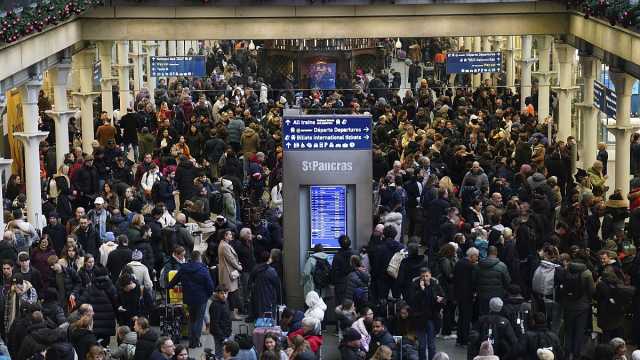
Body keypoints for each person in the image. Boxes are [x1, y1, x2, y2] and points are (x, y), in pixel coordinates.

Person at [168, 250, 214, 348]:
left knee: (191, 320)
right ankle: (196, 341)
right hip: (201, 299)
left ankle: (191, 341)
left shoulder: (184, 268)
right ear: (199, 258)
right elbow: (210, 285)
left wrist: (169, 288)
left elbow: (173, 282)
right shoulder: (203, 269)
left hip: (188, 299)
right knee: (199, 320)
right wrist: (208, 295)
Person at [411, 267, 444, 360]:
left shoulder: (435, 285)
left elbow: (442, 297)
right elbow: (413, 300)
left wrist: (440, 300)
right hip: (420, 318)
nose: (425, 278)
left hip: (432, 318)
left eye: (427, 276)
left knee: (431, 345)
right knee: (421, 346)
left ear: (430, 276)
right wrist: (422, 290)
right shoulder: (415, 286)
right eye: (423, 276)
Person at [476, 246, 511, 315]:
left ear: (487, 253)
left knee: (484, 315)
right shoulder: (502, 266)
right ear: (496, 253)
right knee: (497, 315)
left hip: (483, 295)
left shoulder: (479, 265)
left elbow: (474, 279)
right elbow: (507, 281)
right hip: (498, 295)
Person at [218, 230, 243, 321]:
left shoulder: (224, 245)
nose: (231, 235)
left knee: (230, 294)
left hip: (228, 272)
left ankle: (231, 314)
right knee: (231, 294)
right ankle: (231, 314)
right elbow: (231, 259)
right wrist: (239, 267)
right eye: (229, 234)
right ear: (225, 236)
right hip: (228, 274)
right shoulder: (224, 246)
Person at [209, 285, 232, 358]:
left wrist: (229, 331)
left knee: (226, 353)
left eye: (226, 293)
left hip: (226, 332)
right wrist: (222, 337)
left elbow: (227, 318)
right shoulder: (215, 305)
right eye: (222, 293)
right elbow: (215, 324)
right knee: (220, 354)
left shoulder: (225, 302)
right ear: (217, 294)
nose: (224, 295)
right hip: (219, 334)